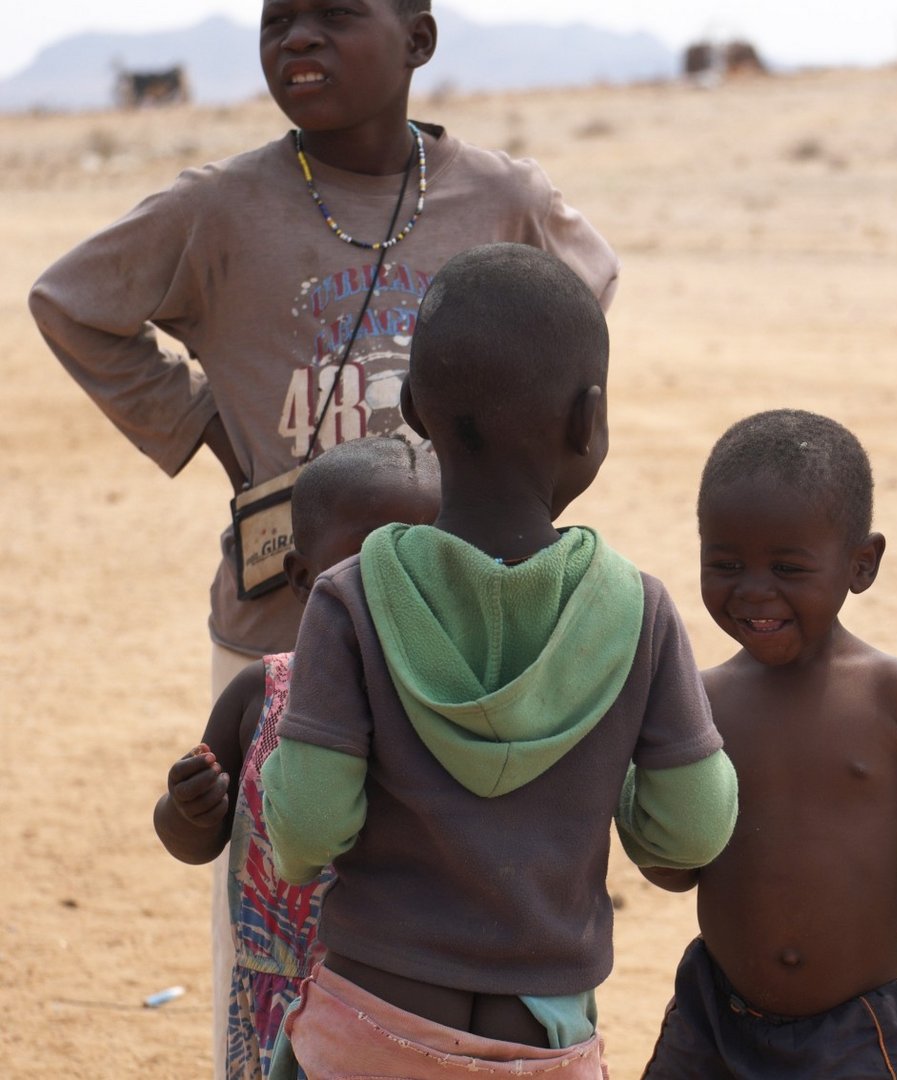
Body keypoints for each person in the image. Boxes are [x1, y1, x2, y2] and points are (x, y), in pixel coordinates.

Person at [29, 2, 618, 1068]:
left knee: (440, 924)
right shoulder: (218, 210)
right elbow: (71, 299)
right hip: (280, 625)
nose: (297, 38)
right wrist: (208, 430)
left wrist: (521, 484)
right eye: (278, 20)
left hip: (463, 636)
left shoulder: (504, 197)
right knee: (273, 924)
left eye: (333, 16)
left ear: (418, 41)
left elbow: (582, 314)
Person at [261, 243, 736, 1077]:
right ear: (588, 421)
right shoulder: (638, 610)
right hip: (540, 1033)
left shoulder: (351, 598)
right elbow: (690, 829)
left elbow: (307, 822)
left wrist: (300, 855)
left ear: (411, 408)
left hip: (371, 1015)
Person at [640, 409, 897, 1080]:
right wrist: (656, 834)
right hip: (714, 1018)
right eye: (726, 563)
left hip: (854, 1030)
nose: (755, 591)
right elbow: (676, 869)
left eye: (787, 567)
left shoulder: (894, 695)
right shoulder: (698, 702)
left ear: (861, 564)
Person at [153, 436, 441, 1080]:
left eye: (433, 558)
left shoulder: (463, 710)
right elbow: (194, 843)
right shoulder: (259, 695)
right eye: (372, 559)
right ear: (304, 578)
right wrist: (189, 809)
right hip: (277, 1006)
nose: (405, 582)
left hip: (406, 1006)